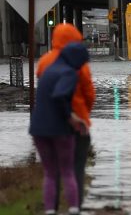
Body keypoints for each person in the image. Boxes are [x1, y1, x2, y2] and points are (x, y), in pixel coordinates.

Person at [37, 23, 96, 211]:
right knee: (75, 168)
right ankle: (75, 207)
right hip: (76, 123)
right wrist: (84, 114)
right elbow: (89, 94)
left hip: (49, 123)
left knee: (51, 172)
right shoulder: (79, 64)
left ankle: (51, 208)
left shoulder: (44, 61)